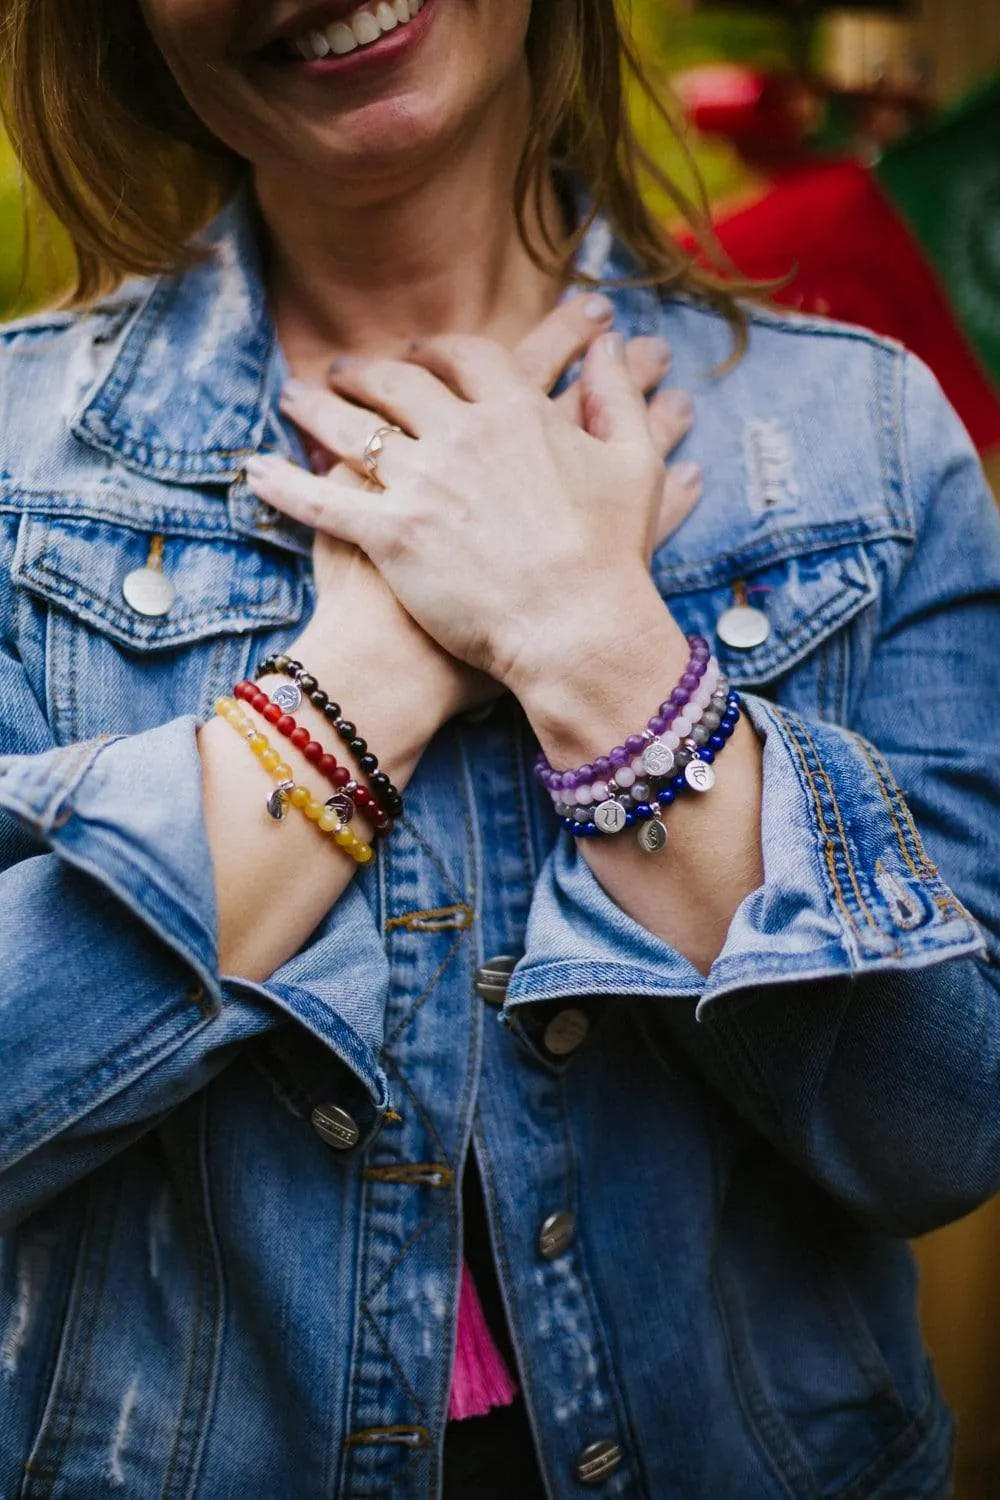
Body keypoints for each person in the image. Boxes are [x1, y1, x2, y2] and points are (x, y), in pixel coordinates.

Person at [0, 1, 998, 1496]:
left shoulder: (864, 440)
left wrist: (594, 646)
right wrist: (366, 680)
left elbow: (942, 1134)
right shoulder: (15, 465)